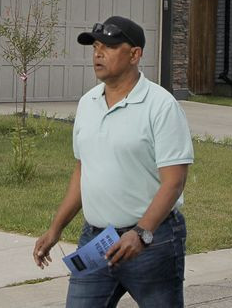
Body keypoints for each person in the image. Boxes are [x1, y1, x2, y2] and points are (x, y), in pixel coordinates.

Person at [32, 15, 194, 307]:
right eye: (95, 46)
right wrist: (55, 229)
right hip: (96, 241)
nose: (98, 53)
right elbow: (83, 170)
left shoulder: (161, 105)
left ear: (135, 54)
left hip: (151, 242)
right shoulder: (87, 103)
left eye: (108, 46)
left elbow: (174, 182)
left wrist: (141, 233)